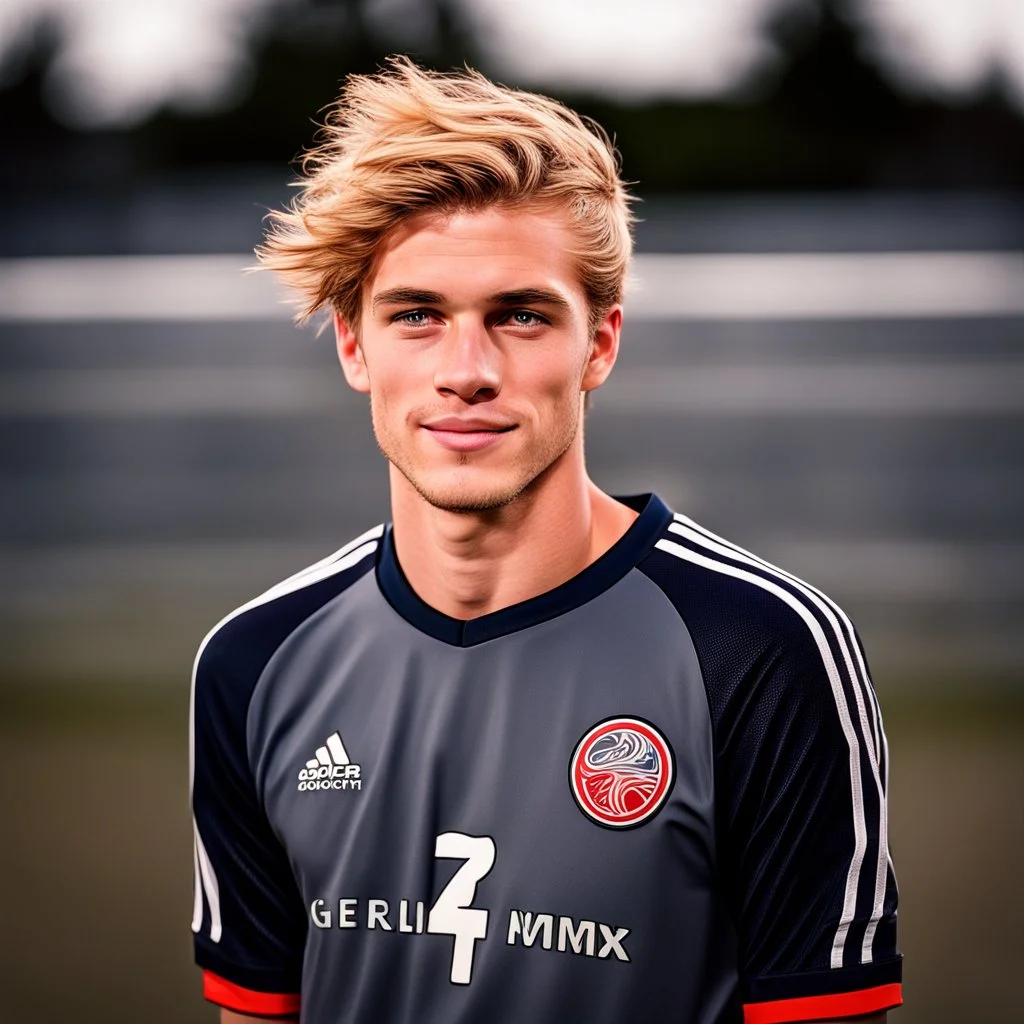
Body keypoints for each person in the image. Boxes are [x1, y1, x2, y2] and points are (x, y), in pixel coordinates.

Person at [189, 57, 901, 1024]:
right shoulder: (254, 661)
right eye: (417, 317)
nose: (468, 370)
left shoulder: (761, 651)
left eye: (521, 315)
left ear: (600, 343)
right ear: (355, 346)